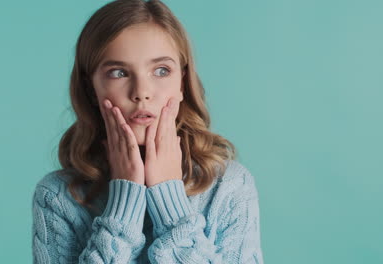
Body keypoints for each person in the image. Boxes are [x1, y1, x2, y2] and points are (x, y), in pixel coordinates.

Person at [31, 0, 264, 263]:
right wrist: (123, 203)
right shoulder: (57, 196)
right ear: (91, 89)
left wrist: (169, 199)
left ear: (182, 83)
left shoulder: (228, 186)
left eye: (161, 70)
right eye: (118, 73)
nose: (142, 92)